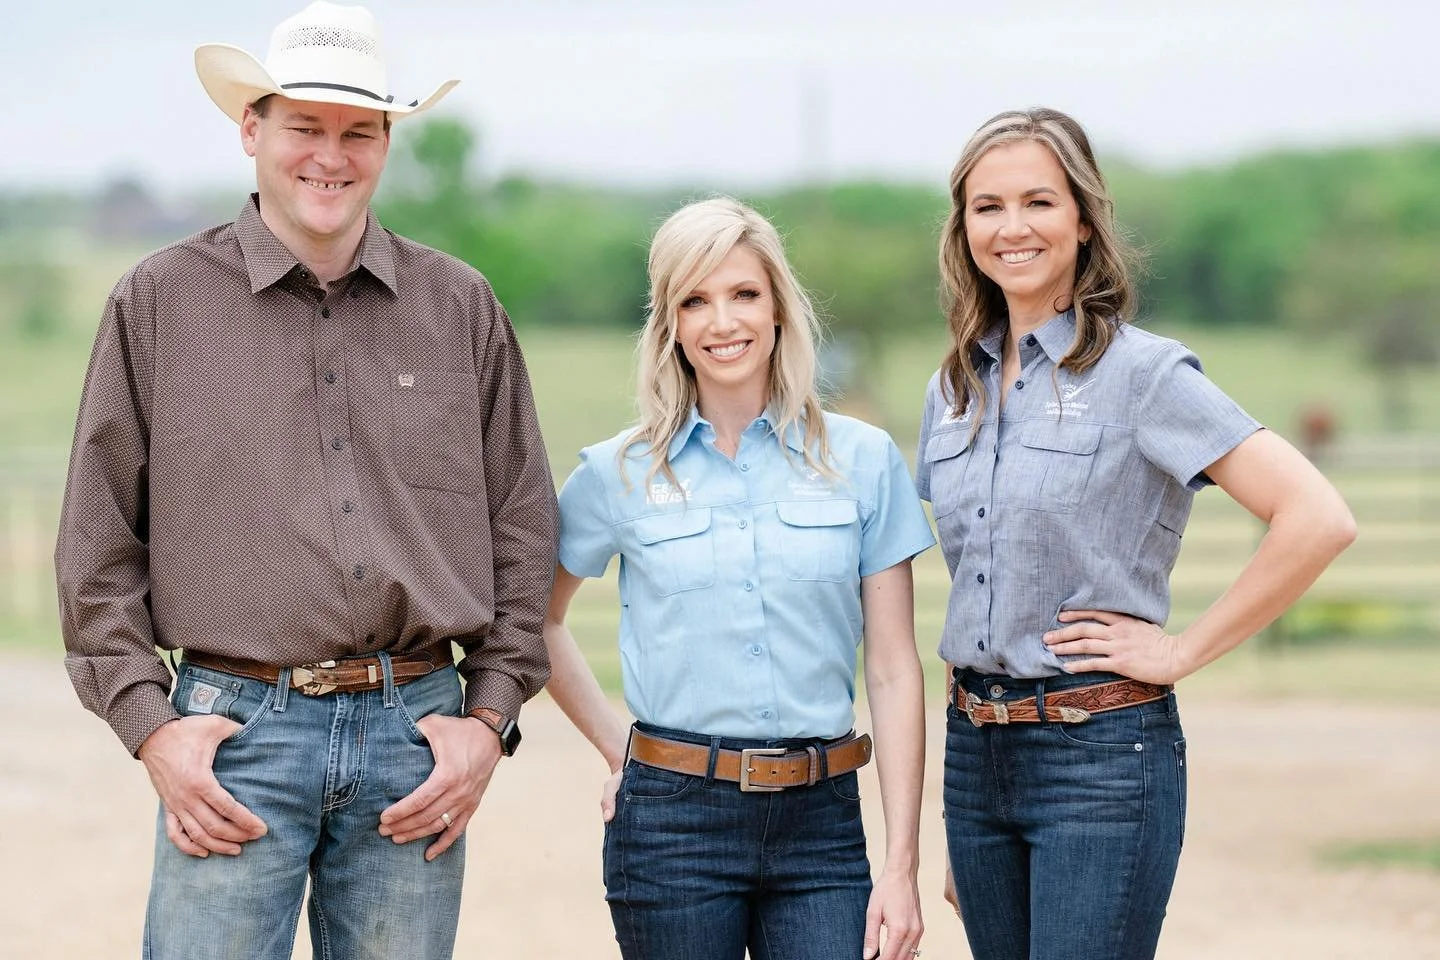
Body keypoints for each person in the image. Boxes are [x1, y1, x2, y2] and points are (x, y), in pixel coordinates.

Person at [53, 4, 557, 958]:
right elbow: (96, 545)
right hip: (232, 739)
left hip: (417, 738)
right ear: (251, 129)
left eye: (358, 131)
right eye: (304, 126)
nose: (331, 155)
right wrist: (152, 727)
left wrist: (488, 717)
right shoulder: (158, 303)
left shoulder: (460, 306)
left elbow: (523, 524)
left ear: (386, 143)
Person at [918, 107, 1356, 960]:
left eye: (1039, 202)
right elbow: (974, 589)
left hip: (1100, 761)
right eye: (988, 206)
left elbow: (1317, 516)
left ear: (1084, 219)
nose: (1012, 227)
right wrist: (958, 812)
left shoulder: (1144, 374)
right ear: (963, 227)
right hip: (976, 765)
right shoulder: (953, 390)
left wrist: (1180, 651)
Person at [543, 197, 935, 960]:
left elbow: (893, 669)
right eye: (695, 300)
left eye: (744, 294)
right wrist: (621, 749)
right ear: (670, 323)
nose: (723, 322)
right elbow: (537, 620)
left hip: (823, 827)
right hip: (671, 829)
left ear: (779, 307)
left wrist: (901, 866)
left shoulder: (863, 460)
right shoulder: (616, 473)